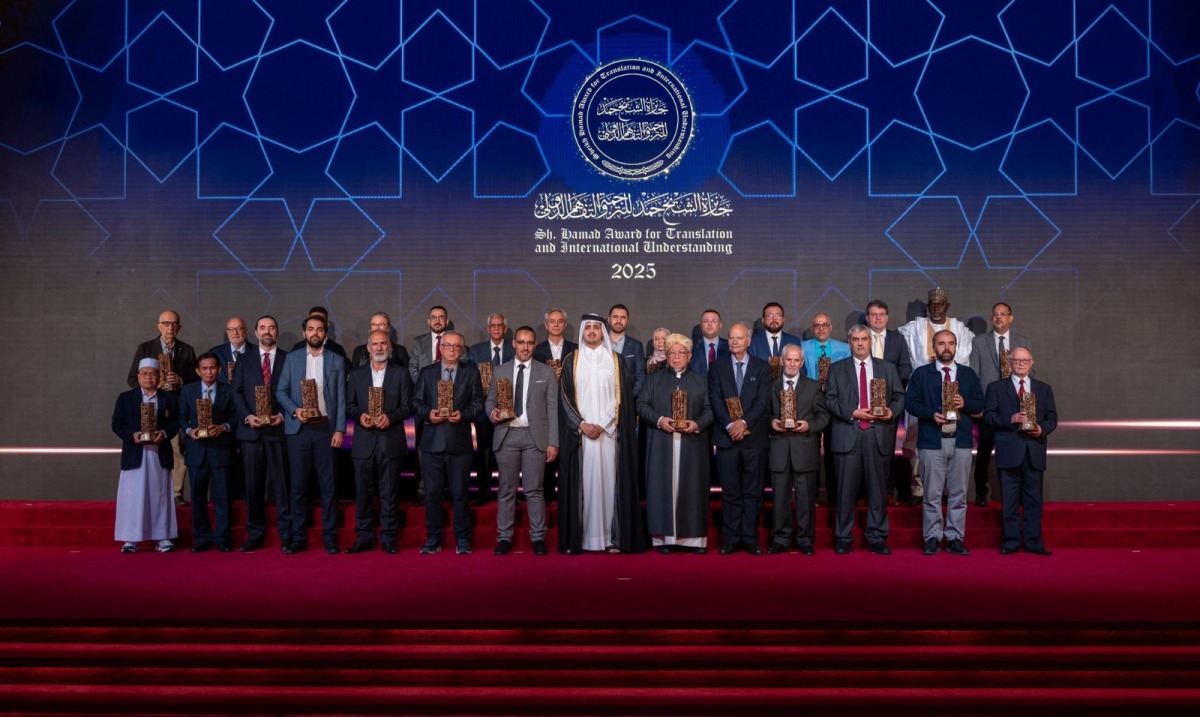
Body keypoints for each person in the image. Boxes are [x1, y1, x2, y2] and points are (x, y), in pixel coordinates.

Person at [557, 313, 645, 554]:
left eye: (597, 327)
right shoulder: (570, 360)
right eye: (588, 328)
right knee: (583, 484)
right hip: (581, 436)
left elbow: (623, 397)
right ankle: (583, 539)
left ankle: (612, 538)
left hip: (609, 434)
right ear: (582, 332)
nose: (593, 331)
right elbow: (564, 397)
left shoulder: (615, 360)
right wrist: (581, 424)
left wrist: (605, 422)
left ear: (602, 331)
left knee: (610, 484)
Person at [825, 325, 904, 554]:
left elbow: (899, 397)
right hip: (848, 434)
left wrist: (891, 411)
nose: (860, 343)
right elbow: (829, 400)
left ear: (871, 342)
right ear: (849, 342)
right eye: (855, 339)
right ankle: (843, 537)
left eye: (864, 339)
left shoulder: (887, 368)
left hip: (878, 435)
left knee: (878, 491)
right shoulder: (837, 369)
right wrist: (853, 412)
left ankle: (877, 536)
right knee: (845, 492)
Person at [905, 331, 984, 555]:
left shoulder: (967, 374)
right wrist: (931, 415)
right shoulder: (922, 374)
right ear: (934, 347)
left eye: (950, 343)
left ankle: (954, 537)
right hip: (932, 441)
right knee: (932, 494)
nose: (946, 347)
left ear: (956, 346)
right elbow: (910, 403)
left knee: (959, 494)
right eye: (941, 343)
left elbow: (979, 404)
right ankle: (932, 537)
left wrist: (964, 402)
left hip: (961, 442)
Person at [275, 314, 346, 555]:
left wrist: (339, 429)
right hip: (299, 430)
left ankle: (330, 537)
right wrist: (295, 411)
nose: (315, 333)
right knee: (298, 487)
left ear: (325, 333)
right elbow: (280, 391)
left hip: (326, 429)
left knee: (329, 487)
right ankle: (297, 537)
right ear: (304, 332)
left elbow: (342, 398)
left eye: (319, 329)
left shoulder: (336, 360)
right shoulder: (293, 359)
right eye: (310, 329)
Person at [638, 333, 714, 554]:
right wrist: (660, 420)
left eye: (682, 352)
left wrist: (696, 424)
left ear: (690, 356)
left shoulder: (700, 380)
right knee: (662, 488)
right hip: (662, 441)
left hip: (692, 444)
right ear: (667, 355)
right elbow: (641, 405)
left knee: (693, 489)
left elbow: (710, 411)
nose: (677, 356)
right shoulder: (653, 380)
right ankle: (665, 539)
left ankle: (694, 540)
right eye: (673, 352)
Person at [487, 326, 558, 556]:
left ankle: (538, 537)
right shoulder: (500, 371)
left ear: (534, 345)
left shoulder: (545, 373)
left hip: (534, 437)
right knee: (506, 490)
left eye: (529, 343)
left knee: (534, 490)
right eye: (521, 342)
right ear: (514, 344)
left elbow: (552, 409)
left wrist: (553, 442)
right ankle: (504, 538)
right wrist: (493, 413)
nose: (525, 346)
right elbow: (490, 402)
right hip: (506, 435)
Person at [898, 288, 973, 504]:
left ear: (947, 306)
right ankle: (919, 489)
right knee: (917, 440)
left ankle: (948, 490)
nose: (937, 308)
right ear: (928, 307)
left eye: (941, 305)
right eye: (933, 305)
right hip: (922, 390)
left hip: (951, 389)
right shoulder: (913, 328)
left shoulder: (959, 329)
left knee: (952, 441)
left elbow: (965, 361)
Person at [413, 330, 483, 555]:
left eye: (456, 346)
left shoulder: (471, 372)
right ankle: (433, 538)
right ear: (440, 348)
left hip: (459, 442)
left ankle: (462, 538)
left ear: (461, 350)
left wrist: (463, 414)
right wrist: (428, 414)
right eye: (448, 346)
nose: (452, 349)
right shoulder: (426, 373)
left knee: (460, 493)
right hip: (432, 442)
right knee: (432, 494)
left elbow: (478, 403)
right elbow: (416, 403)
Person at [345, 330, 413, 554]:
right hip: (363, 442)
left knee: (390, 493)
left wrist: (390, 417)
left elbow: (407, 406)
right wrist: (359, 416)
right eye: (375, 344)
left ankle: (389, 538)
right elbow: (349, 404)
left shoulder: (401, 374)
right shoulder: (356, 375)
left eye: (383, 343)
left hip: (391, 440)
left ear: (390, 347)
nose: (379, 348)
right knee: (363, 494)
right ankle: (364, 537)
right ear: (368, 347)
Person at [984, 347, 1057, 555]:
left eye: (1025, 360)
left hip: (1034, 450)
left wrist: (1041, 429)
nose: (1021, 363)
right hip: (1009, 451)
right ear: (1009, 362)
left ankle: (1034, 542)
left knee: (1034, 500)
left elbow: (1052, 418)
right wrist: (1011, 419)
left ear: (1032, 363)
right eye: (1017, 360)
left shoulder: (1044, 389)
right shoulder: (996, 388)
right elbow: (988, 416)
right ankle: (1011, 541)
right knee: (1009, 500)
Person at [708, 322, 773, 555]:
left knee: (753, 493)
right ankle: (732, 539)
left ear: (748, 341)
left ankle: (750, 539)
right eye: (731, 338)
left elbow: (762, 402)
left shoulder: (762, 368)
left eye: (739, 338)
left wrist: (743, 423)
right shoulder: (717, 367)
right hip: (726, 439)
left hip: (754, 440)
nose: (734, 342)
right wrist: (729, 424)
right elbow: (714, 399)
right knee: (730, 492)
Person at [229, 315, 289, 552]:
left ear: (277, 331)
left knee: (282, 487)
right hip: (251, 433)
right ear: (255, 333)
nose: (267, 331)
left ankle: (286, 534)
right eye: (263, 327)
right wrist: (247, 416)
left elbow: (296, 391)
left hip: (279, 431)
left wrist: (283, 415)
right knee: (253, 487)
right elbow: (236, 392)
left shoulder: (289, 359)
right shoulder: (244, 360)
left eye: (272, 327)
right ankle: (255, 534)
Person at [127, 310, 198, 507]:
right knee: (148, 452)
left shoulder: (187, 350)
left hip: (174, 407)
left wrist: (181, 380)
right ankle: (148, 493)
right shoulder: (146, 348)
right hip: (149, 408)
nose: (170, 328)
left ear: (180, 327)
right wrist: (151, 385)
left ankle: (176, 493)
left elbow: (196, 379)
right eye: (166, 324)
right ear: (159, 326)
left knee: (178, 451)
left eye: (174, 324)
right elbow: (132, 379)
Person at [112, 358, 180, 553]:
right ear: (138, 376)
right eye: (145, 373)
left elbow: (176, 423)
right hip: (135, 454)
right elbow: (117, 424)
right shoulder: (125, 398)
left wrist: (164, 433)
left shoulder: (169, 398)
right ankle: (131, 539)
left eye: (153, 374)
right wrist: (131, 436)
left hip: (159, 454)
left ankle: (163, 537)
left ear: (159, 377)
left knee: (160, 496)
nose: (149, 377)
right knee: (132, 497)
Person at [767, 344, 830, 555]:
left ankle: (805, 539)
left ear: (802, 363)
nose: (792, 364)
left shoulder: (812, 387)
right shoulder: (772, 386)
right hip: (779, 449)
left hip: (804, 449)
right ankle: (780, 538)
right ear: (782, 361)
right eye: (788, 360)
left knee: (805, 499)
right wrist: (772, 422)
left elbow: (824, 416)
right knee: (780, 498)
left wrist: (809, 425)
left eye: (796, 360)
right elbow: (764, 414)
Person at [969, 302, 1030, 507]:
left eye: (1003, 314)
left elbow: (1030, 372)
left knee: (1015, 450)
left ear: (1010, 318)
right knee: (984, 450)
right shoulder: (979, 342)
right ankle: (981, 491)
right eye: (995, 314)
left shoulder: (1022, 341)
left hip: (1015, 406)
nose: (998, 318)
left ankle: (1014, 492)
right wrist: (977, 404)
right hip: (989, 407)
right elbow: (974, 375)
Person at [179, 353, 236, 552]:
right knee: (198, 497)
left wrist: (224, 427)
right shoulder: (188, 390)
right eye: (204, 369)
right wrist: (189, 430)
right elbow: (181, 417)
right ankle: (201, 539)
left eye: (212, 368)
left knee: (223, 498)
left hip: (221, 450)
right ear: (198, 371)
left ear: (219, 370)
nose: (209, 372)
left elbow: (236, 417)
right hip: (196, 452)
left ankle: (223, 538)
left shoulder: (229, 390)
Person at [864, 300, 912, 504]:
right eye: (873, 314)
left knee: (887, 450)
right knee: (863, 450)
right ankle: (864, 493)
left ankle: (887, 492)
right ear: (867, 317)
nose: (877, 318)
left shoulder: (897, 339)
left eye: (881, 314)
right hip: (863, 403)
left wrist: (888, 384)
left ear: (887, 317)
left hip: (889, 403)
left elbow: (905, 368)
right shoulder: (860, 337)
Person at [801, 313, 850, 505]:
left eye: (825, 325)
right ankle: (810, 497)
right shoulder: (802, 348)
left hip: (835, 405)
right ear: (812, 329)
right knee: (809, 454)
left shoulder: (845, 349)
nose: (821, 328)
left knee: (833, 452)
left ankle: (833, 497)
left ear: (831, 327)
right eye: (817, 325)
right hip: (809, 406)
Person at [468, 313, 513, 506]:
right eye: (492, 325)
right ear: (488, 329)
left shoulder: (514, 349)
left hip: (510, 411)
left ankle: (510, 493)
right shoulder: (475, 352)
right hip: (483, 412)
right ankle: (483, 492)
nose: (496, 328)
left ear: (505, 328)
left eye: (499, 325)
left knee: (509, 454)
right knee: (484, 455)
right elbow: (471, 381)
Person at [407, 306, 451, 507]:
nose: (437, 321)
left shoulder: (454, 341)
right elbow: (413, 370)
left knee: (450, 449)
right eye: (434, 317)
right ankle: (423, 490)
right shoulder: (419, 343)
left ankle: (448, 489)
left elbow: (463, 368)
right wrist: (429, 382)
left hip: (451, 404)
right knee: (423, 449)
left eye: (441, 317)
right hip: (424, 403)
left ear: (447, 320)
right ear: (428, 321)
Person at [608, 304, 647, 397]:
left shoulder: (636, 346)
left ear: (627, 321)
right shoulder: (599, 344)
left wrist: (630, 396)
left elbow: (640, 375)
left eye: (623, 317)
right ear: (609, 319)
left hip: (627, 401)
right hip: (601, 401)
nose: (619, 321)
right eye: (615, 317)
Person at [532, 307, 576, 379]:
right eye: (552, 321)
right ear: (546, 325)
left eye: (560, 321)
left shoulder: (575, 349)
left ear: (565, 325)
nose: (556, 325)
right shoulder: (536, 350)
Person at [208, 317, 251, 385]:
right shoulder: (215, 353)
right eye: (231, 329)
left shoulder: (257, 351)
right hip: (223, 394)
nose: (235, 333)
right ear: (227, 332)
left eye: (239, 328)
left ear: (246, 331)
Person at [688, 309, 728, 375]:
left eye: (714, 321)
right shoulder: (691, 348)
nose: (709, 324)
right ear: (701, 325)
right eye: (706, 321)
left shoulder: (729, 347)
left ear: (720, 325)